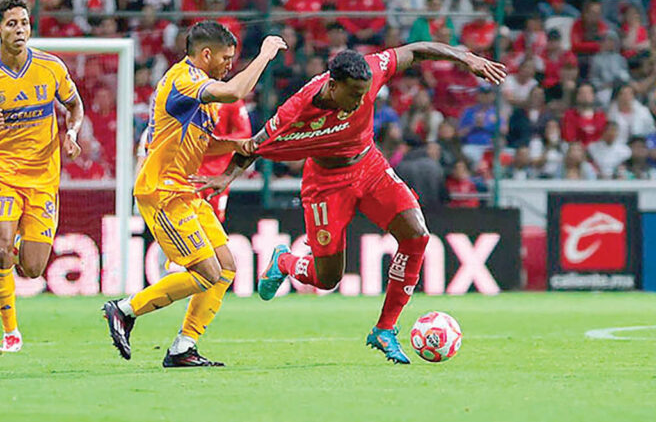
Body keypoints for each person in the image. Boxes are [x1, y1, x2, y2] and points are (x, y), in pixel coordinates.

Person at [192, 42, 505, 364]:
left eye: (364, 93)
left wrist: (466, 58)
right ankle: (284, 261)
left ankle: (385, 328)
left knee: (416, 235)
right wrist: (226, 176)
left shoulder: (371, 69)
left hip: (369, 166)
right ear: (333, 86)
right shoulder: (295, 112)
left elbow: (417, 51)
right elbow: (254, 146)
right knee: (327, 278)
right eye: (354, 94)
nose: (360, 101)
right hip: (326, 185)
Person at [102, 23, 287, 367]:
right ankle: (125, 310)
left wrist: (234, 145)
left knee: (226, 266)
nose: (229, 64)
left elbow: (200, 143)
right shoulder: (184, 80)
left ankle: (183, 347)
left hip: (185, 188)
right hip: (162, 191)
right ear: (205, 54)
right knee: (206, 272)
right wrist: (265, 55)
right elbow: (235, 91)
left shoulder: (199, 89)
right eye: (226, 58)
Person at [0, 0, 85, 354]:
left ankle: (20, 246)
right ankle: (11, 333)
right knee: (1, 250)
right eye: (12, 24)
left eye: (24, 23)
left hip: (43, 180)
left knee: (34, 269)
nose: (20, 29)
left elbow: (74, 105)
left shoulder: (50, 67)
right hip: (0, 175)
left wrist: (71, 133)